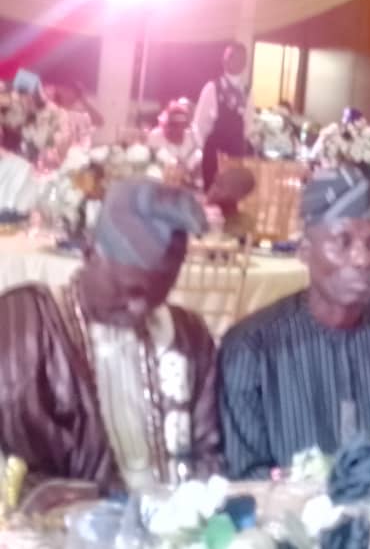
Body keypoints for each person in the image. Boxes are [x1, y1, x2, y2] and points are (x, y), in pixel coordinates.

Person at [220, 167, 370, 482]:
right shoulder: (252, 348)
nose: (362, 259)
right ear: (305, 251)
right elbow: (245, 476)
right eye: (343, 242)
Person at [0, 180, 218, 511]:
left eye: (159, 293)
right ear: (89, 252)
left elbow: (210, 453)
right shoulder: (24, 326)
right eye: (131, 290)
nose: (140, 309)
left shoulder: (188, 336)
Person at [195, 42, 254, 190]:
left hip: (236, 151)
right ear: (224, 60)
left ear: (245, 63)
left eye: (240, 58)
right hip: (214, 151)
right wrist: (207, 149)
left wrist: (240, 143)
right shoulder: (212, 87)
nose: (235, 61)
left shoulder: (246, 91)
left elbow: (249, 123)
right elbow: (200, 123)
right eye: (231, 57)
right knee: (213, 192)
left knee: (233, 193)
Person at [148, 99, 201, 172]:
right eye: (173, 125)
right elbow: (150, 162)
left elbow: (199, 159)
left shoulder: (193, 137)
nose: (177, 129)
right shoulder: (155, 136)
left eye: (181, 125)